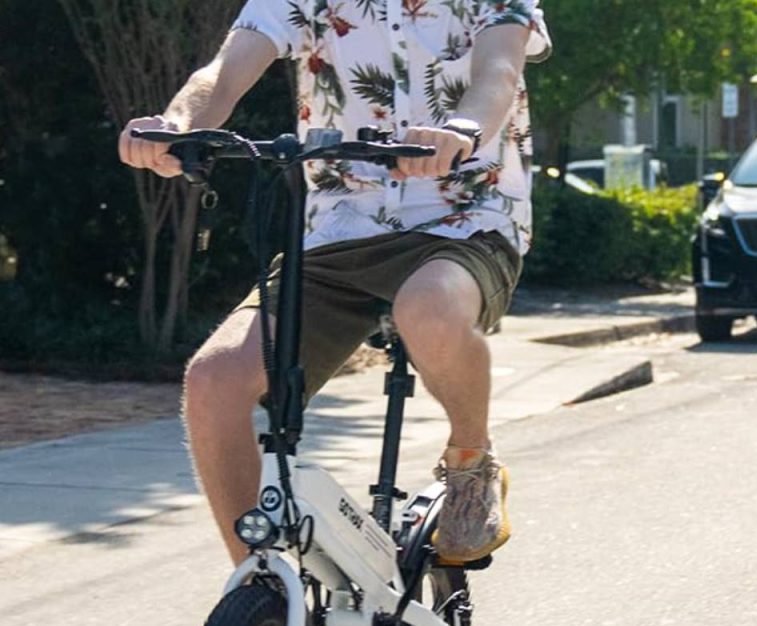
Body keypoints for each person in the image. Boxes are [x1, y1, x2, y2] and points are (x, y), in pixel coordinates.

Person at [118, 0, 553, 566]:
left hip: (463, 218)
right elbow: (223, 73)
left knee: (428, 309)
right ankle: (259, 590)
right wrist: (177, 124)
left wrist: (461, 131)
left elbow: (497, 72)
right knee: (212, 380)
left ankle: (471, 459)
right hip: (337, 233)